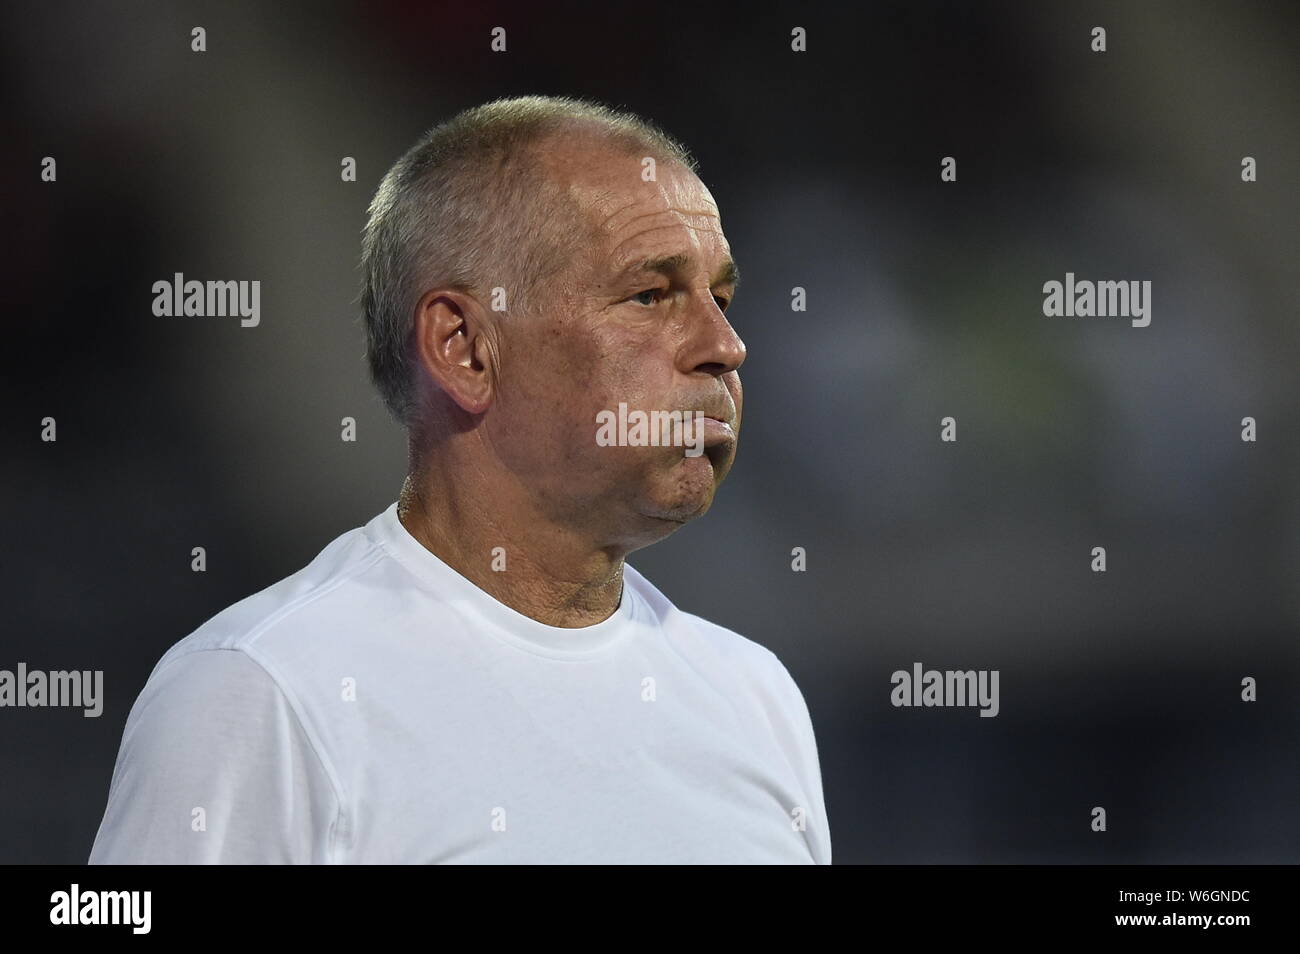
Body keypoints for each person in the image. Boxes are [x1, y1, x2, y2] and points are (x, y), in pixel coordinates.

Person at [89, 95, 830, 863]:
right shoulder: (260, 693)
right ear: (465, 349)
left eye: (722, 297)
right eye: (649, 295)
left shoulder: (755, 699)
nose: (726, 345)